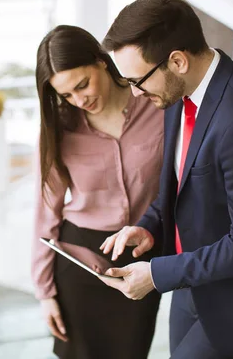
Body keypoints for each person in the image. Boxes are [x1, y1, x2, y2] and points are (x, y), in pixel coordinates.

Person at [98, 0, 233, 359]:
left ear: (178, 61)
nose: (134, 93)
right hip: (189, 284)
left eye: (138, 81)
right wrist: (150, 224)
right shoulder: (174, 95)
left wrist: (157, 275)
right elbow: (185, 186)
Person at [31, 24, 164, 359]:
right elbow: (45, 212)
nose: (80, 100)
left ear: (101, 61)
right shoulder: (59, 128)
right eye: (66, 95)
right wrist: (45, 293)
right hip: (79, 259)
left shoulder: (156, 105)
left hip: (141, 254)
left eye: (82, 85)